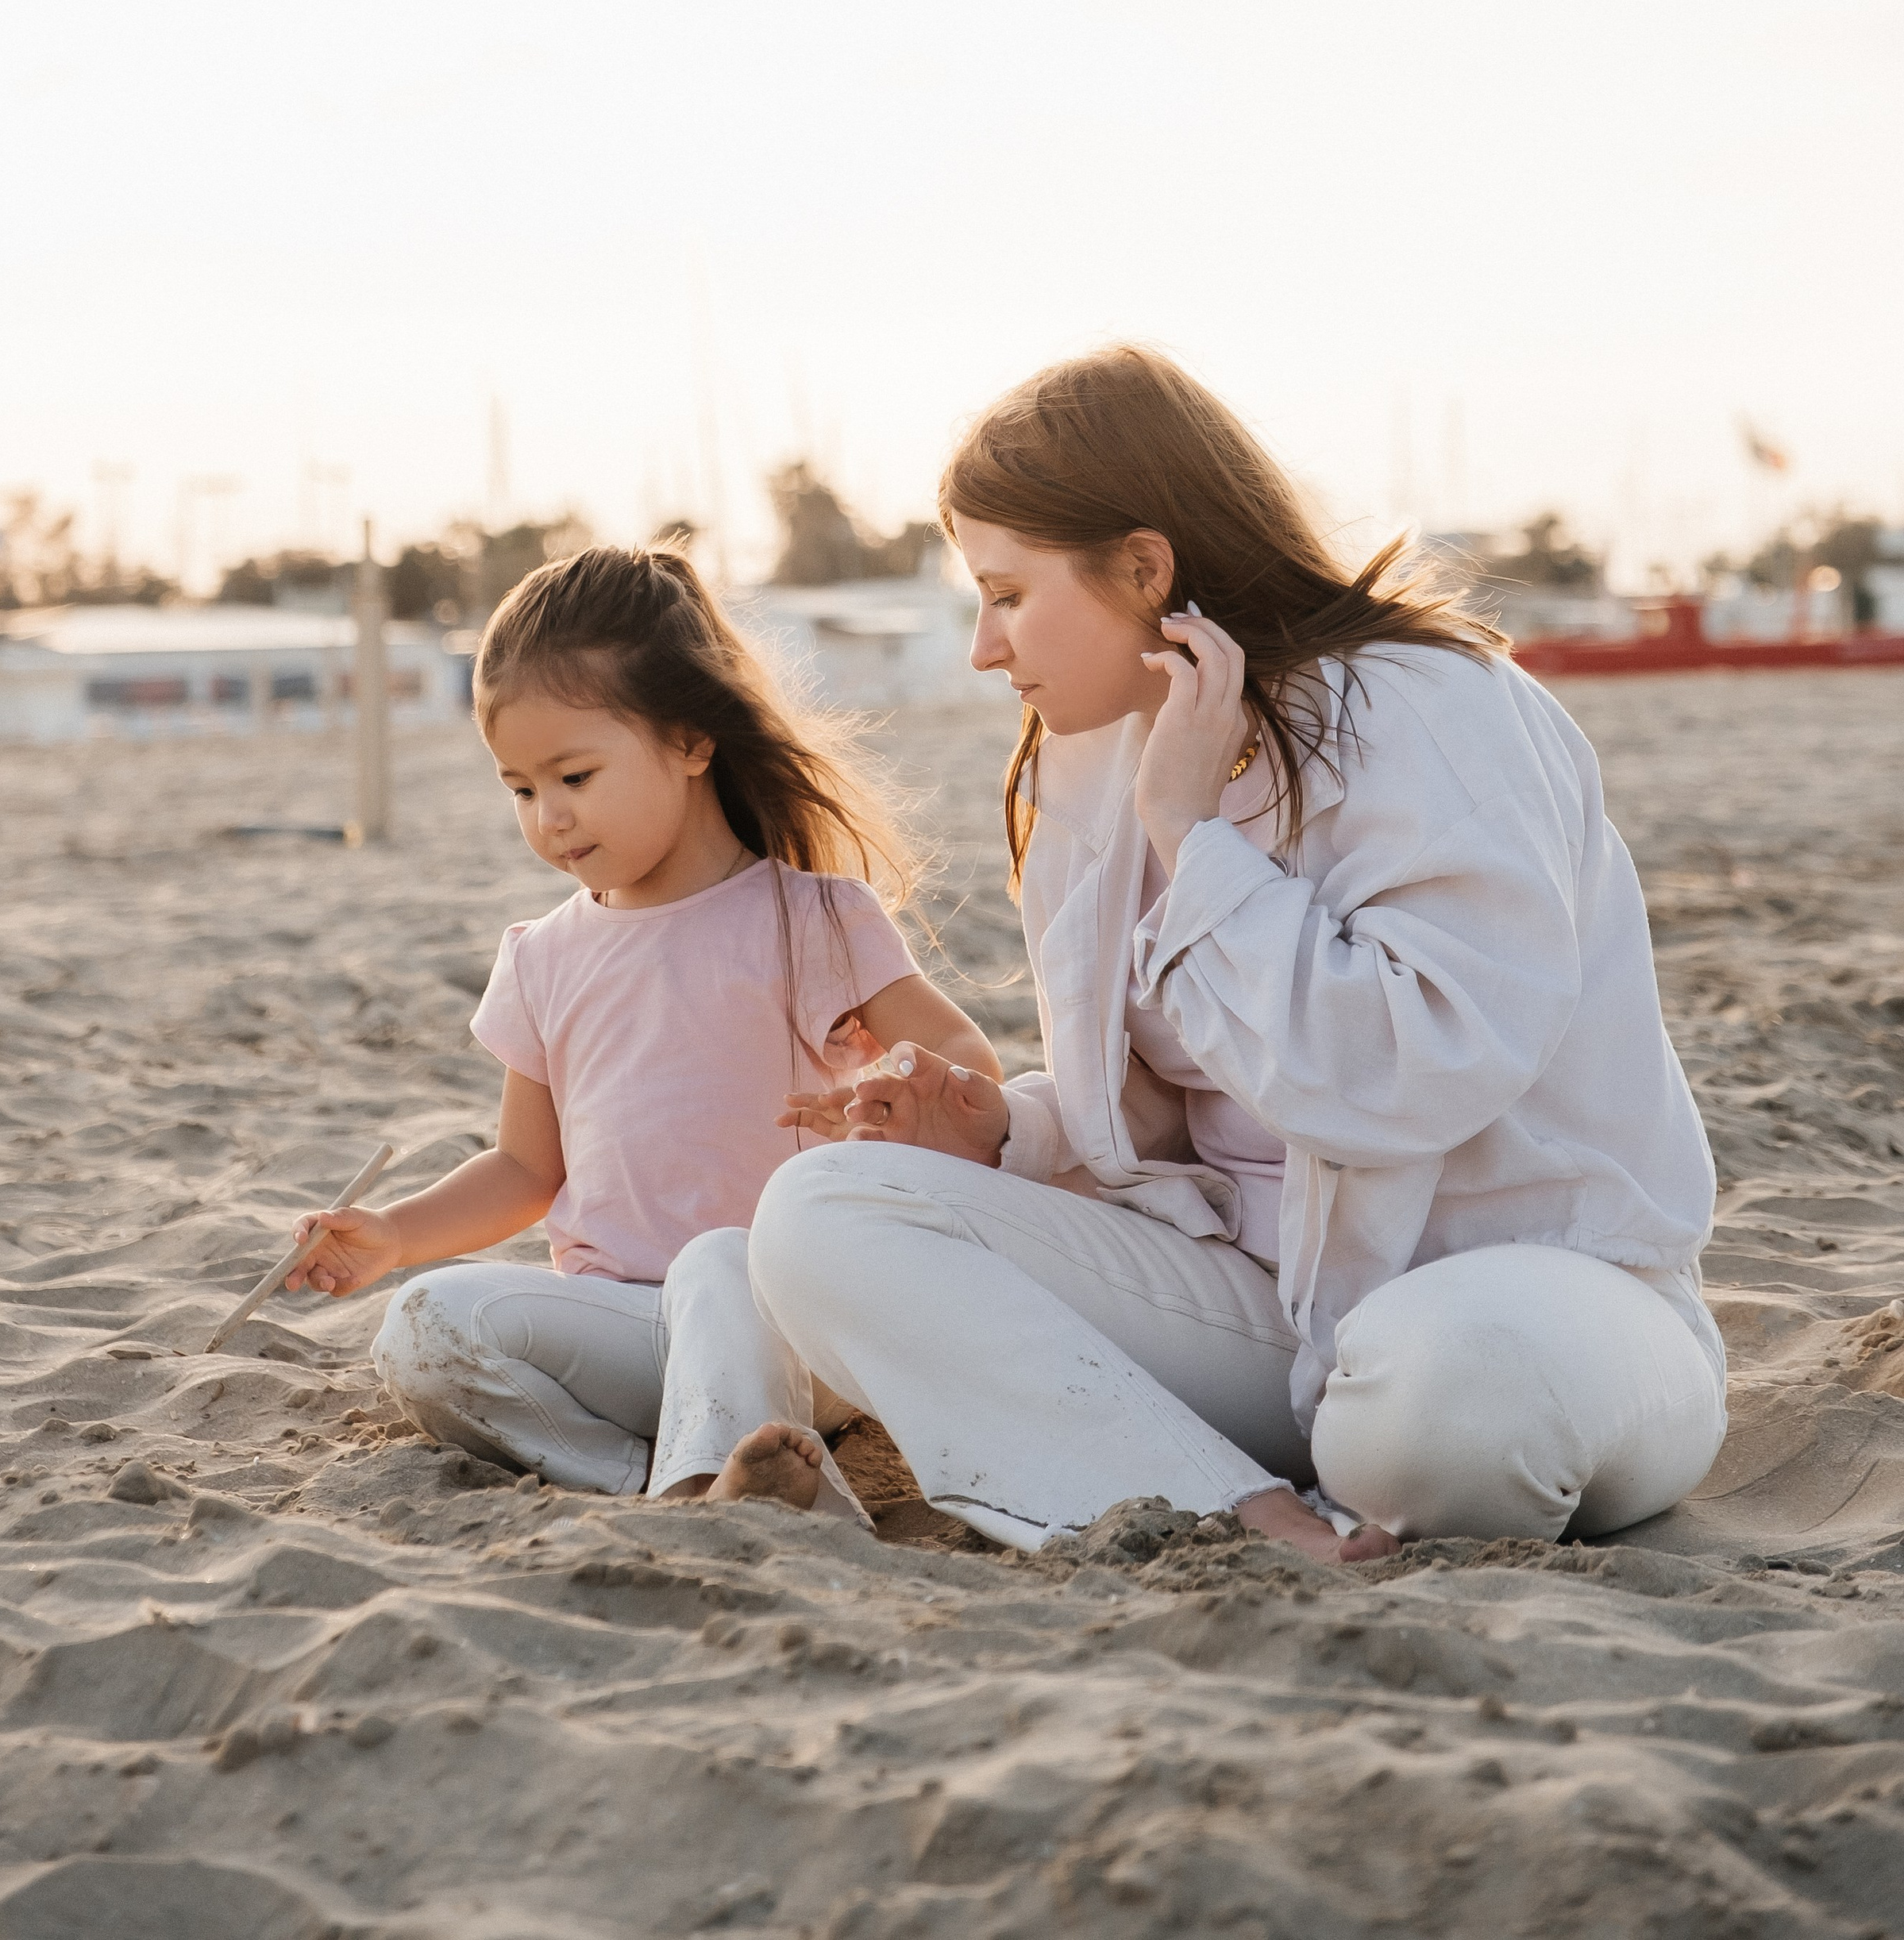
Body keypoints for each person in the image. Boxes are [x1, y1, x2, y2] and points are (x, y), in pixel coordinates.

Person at [754, 346, 1725, 1562]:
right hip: (1269, 1320)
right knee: (821, 1212)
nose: (985, 651)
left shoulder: (1433, 708)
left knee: (1445, 1406)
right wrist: (1006, 1134)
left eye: (1007, 595)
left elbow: (1389, 1081)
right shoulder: (1095, 756)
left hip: (1538, 1309)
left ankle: (1340, 1477)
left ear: (1144, 566)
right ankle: (1238, 1511)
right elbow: (1181, 1120)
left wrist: (1193, 836)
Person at [278, 544, 1000, 1514]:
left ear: (691, 740)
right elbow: (527, 1172)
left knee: (716, 1261)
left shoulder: (814, 916)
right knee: (421, 1326)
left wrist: (887, 1096)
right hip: (625, 1324)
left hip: (792, 1316)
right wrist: (396, 1234)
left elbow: (968, 1062)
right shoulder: (541, 956)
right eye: (521, 789)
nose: (549, 819)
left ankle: (715, 1474)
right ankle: (661, 1482)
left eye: (574, 774)